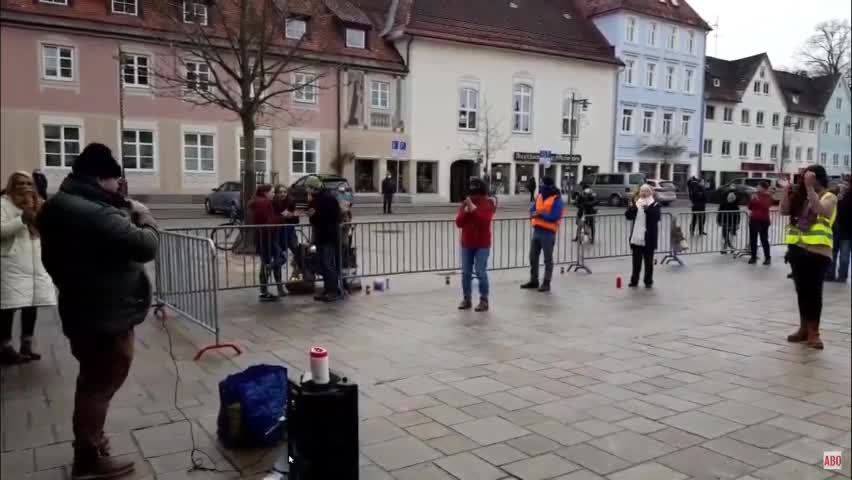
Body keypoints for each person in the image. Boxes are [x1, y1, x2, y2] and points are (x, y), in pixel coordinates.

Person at [37, 143, 158, 479]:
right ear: (99, 178)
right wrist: (143, 215)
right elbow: (147, 246)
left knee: (92, 378)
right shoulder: (91, 212)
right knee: (99, 384)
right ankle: (89, 456)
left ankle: (92, 442)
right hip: (105, 313)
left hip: (84, 306)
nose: (118, 188)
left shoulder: (60, 204)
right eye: (114, 182)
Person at [1, 172, 56, 365]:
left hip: (34, 260)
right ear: (11, 185)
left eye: (28, 183)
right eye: (19, 183)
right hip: (12, 262)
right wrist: (21, 220)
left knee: (32, 303)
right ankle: (5, 347)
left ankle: (27, 344)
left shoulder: (37, 202)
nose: (24, 186)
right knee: (9, 305)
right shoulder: (3, 204)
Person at [780, 165, 837, 350]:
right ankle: (803, 328)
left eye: (809, 177)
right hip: (797, 249)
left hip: (818, 252)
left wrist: (810, 188)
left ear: (818, 178)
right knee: (802, 292)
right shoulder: (801, 196)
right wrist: (787, 191)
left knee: (814, 293)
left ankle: (814, 333)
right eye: (804, 178)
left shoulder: (830, 196)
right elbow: (784, 210)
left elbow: (822, 210)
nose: (804, 181)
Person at [455, 177, 495, 311]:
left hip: (482, 244)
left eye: (475, 192)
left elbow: (485, 220)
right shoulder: (466, 203)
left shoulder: (488, 203)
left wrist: (474, 210)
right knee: (466, 272)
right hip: (467, 243)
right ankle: (467, 299)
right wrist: (467, 211)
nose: (473, 196)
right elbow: (459, 223)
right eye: (471, 193)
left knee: (480, 271)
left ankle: (484, 300)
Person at [521, 176, 563, 292]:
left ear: (548, 185)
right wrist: (533, 213)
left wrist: (540, 215)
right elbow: (534, 209)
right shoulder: (539, 196)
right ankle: (534, 280)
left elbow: (555, 216)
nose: (541, 186)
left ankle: (546, 282)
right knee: (533, 257)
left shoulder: (556, 199)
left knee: (547, 259)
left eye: (542, 184)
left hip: (548, 232)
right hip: (537, 231)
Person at [306, 176, 344, 302]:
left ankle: (334, 290)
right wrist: (312, 214)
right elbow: (314, 219)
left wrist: (315, 214)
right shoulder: (315, 199)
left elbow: (333, 218)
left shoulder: (328, 198)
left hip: (328, 236)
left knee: (328, 264)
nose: (308, 191)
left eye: (309, 188)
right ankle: (328, 289)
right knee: (322, 264)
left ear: (314, 187)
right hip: (321, 236)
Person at [250, 184, 286, 301]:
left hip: (266, 237)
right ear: (265, 193)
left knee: (266, 262)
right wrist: (281, 218)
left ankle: (264, 292)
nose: (274, 194)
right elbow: (266, 222)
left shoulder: (261, 202)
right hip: (266, 237)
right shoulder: (263, 203)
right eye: (272, 192)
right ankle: (264, 290)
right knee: (281, 257)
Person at [625, 184, 661, 288]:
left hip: (649, 239)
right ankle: (634, 280)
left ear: (651, 193)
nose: (644, 193)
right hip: (637, 238)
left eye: (646, 191)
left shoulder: (655, 204)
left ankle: (648, 281)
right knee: (636, 262)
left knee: (648, 262)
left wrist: (647, 209)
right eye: (642, 191)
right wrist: (634, 207)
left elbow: (656, 218)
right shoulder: (637, 203)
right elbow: (628, 216)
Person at [272, 185, 301, 273]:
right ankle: (276, 280)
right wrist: (282, 216)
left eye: (285, 192)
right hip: (277, 234)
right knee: (279, 257)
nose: (283, 194)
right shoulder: (272, 203)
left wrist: (293, 215)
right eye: (280, 192)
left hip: (290, 233)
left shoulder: (291, 202)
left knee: (299, 255)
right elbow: (272, 218)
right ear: (276, 194)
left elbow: (296, 221)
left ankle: (297, 276)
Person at [829, 180, 851, 283]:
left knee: (844, 256)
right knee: (832, 253)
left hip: (846, 232)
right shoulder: (835, 198)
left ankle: (842, 276)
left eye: (845, 186)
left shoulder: (848, 198)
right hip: (834, 230)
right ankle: (830, 274)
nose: (843, 188)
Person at [747, 180, 773, 265]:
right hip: (754, 219)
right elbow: (750, 207)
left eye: (758, 186)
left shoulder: (768, 196)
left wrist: (756, 199)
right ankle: (753, 257)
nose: (757, 187)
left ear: (763, 188)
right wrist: (752, 200)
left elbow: (766, 206)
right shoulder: (755, 195)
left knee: (764, 239)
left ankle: (767, 258)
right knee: (753, 239)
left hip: (763, 221)